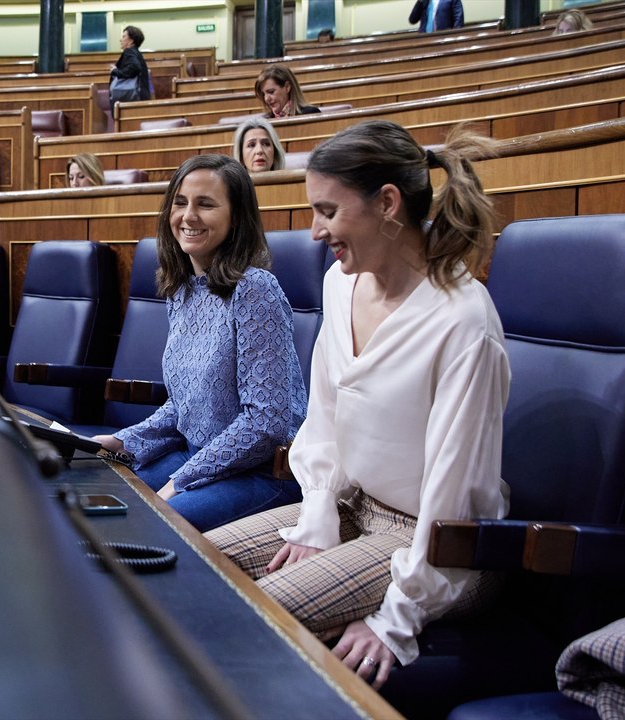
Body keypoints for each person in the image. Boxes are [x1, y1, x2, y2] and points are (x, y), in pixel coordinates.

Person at [205, 120, 510, 689]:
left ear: (388, 203)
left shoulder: (463, 320)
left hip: (437, 546)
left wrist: (397, 618)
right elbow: (324, 418)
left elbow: (455, 498)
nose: (314, 231)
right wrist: (317, 511)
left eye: (327, 210)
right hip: (351, 507)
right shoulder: (341, 284)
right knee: (185, 572)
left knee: (237, 623)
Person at [94, 155, 307, 533]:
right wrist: (120, 441)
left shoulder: (255, 290)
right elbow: (183, 407)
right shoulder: (181, 291)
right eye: (180, 202)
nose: (188, 216)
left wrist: (179, 481)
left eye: (205, 204)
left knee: (146, 524)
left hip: (262, 472)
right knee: (97, 494)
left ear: (236, 217)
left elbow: (266, 423)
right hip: (197, 456)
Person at [254, 66, 320, 119]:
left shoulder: (311, 114)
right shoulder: (264, 122)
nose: (266, 99)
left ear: (287, 87)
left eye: (271, 92)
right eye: (263, 94)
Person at [109, 25, 152, 102]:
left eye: (124, 37)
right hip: (141, 96)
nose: (120, 40)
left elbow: (135, 67)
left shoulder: (129, 51)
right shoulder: (136, 52)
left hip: (134, 97)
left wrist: (116, 71)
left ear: (131, 40)